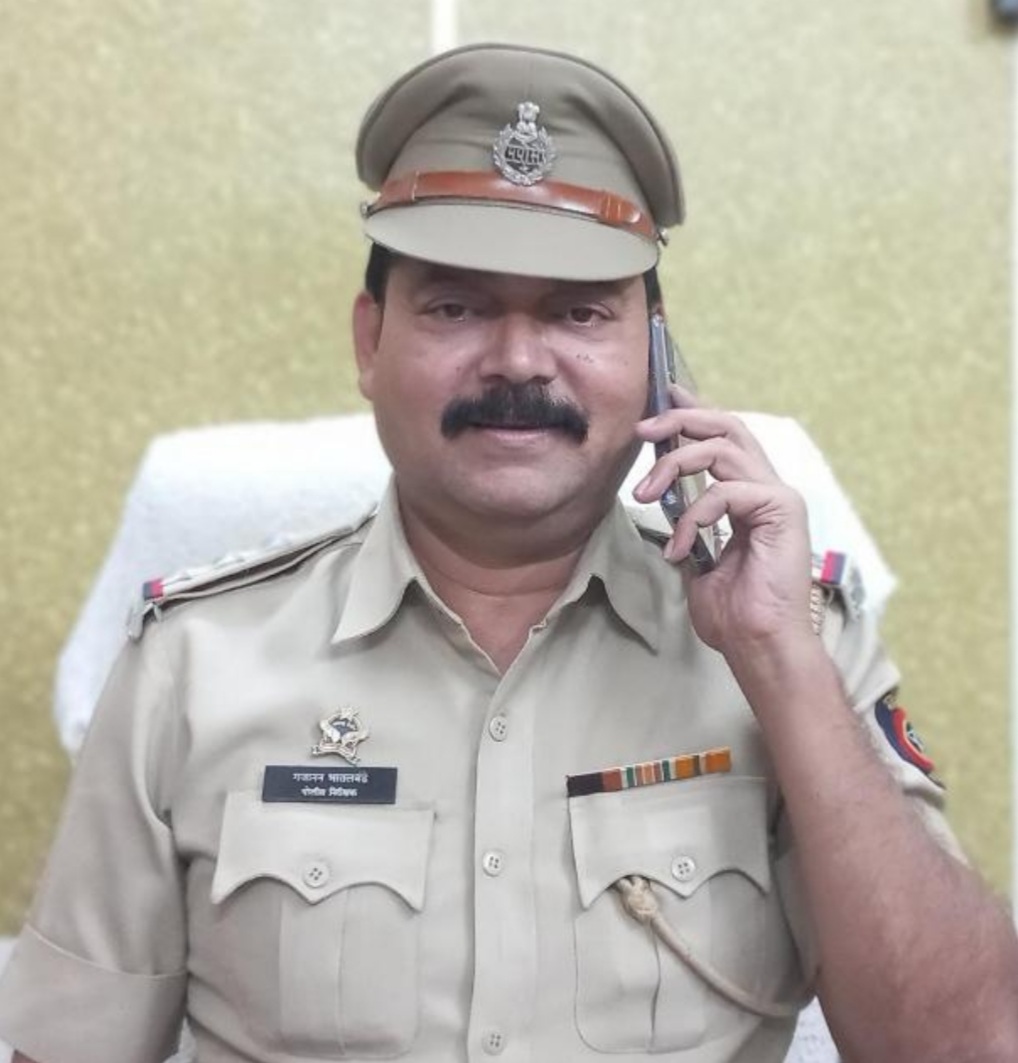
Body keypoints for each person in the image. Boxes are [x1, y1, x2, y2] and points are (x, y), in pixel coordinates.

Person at [2, 41, 1017, 1063]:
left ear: (657, 358)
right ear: (370, 341)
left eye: (579, 311)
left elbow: (964, 1045)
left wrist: (780, 664)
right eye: (457, 305)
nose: (519, 360)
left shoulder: (796, 644)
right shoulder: (190, 665)